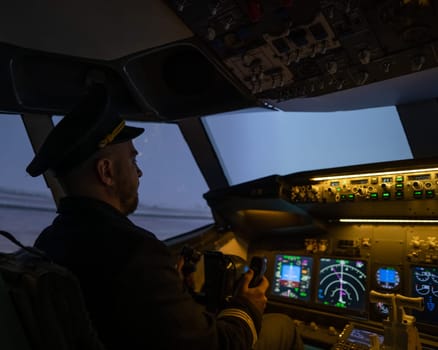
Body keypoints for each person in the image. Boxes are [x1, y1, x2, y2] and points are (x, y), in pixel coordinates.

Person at [26, 85, 304, 350]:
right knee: (282, 324)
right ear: (106, 172)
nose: (140, 173)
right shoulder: (134, 252)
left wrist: (172, 290)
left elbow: (122, 318)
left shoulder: (47, 243)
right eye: (133, 161)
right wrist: (247, 305)